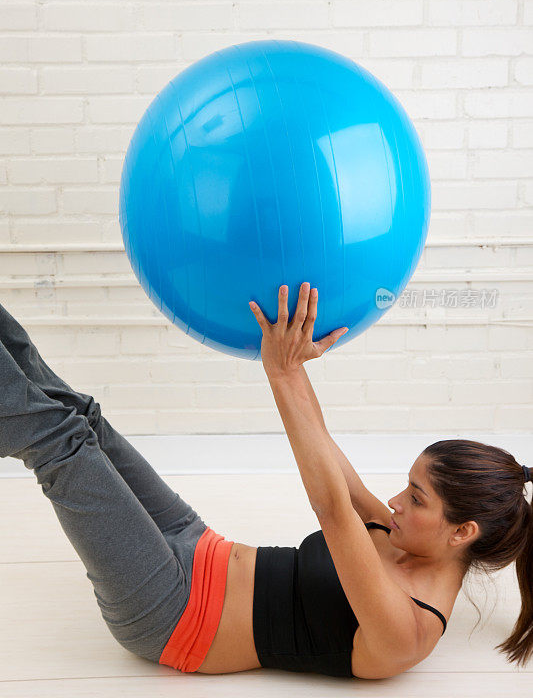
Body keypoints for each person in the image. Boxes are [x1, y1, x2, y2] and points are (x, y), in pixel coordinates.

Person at [1, 284, 532, 679]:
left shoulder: (409, 630)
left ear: (462, 531)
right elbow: (332, 461)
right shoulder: (399, 535)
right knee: (83, 418)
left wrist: (277, 374)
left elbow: (331, 509)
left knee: (58, 440)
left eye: (416, 498)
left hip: (170, 612)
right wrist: (293, 363)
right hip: (196, 543)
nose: (393, 500)